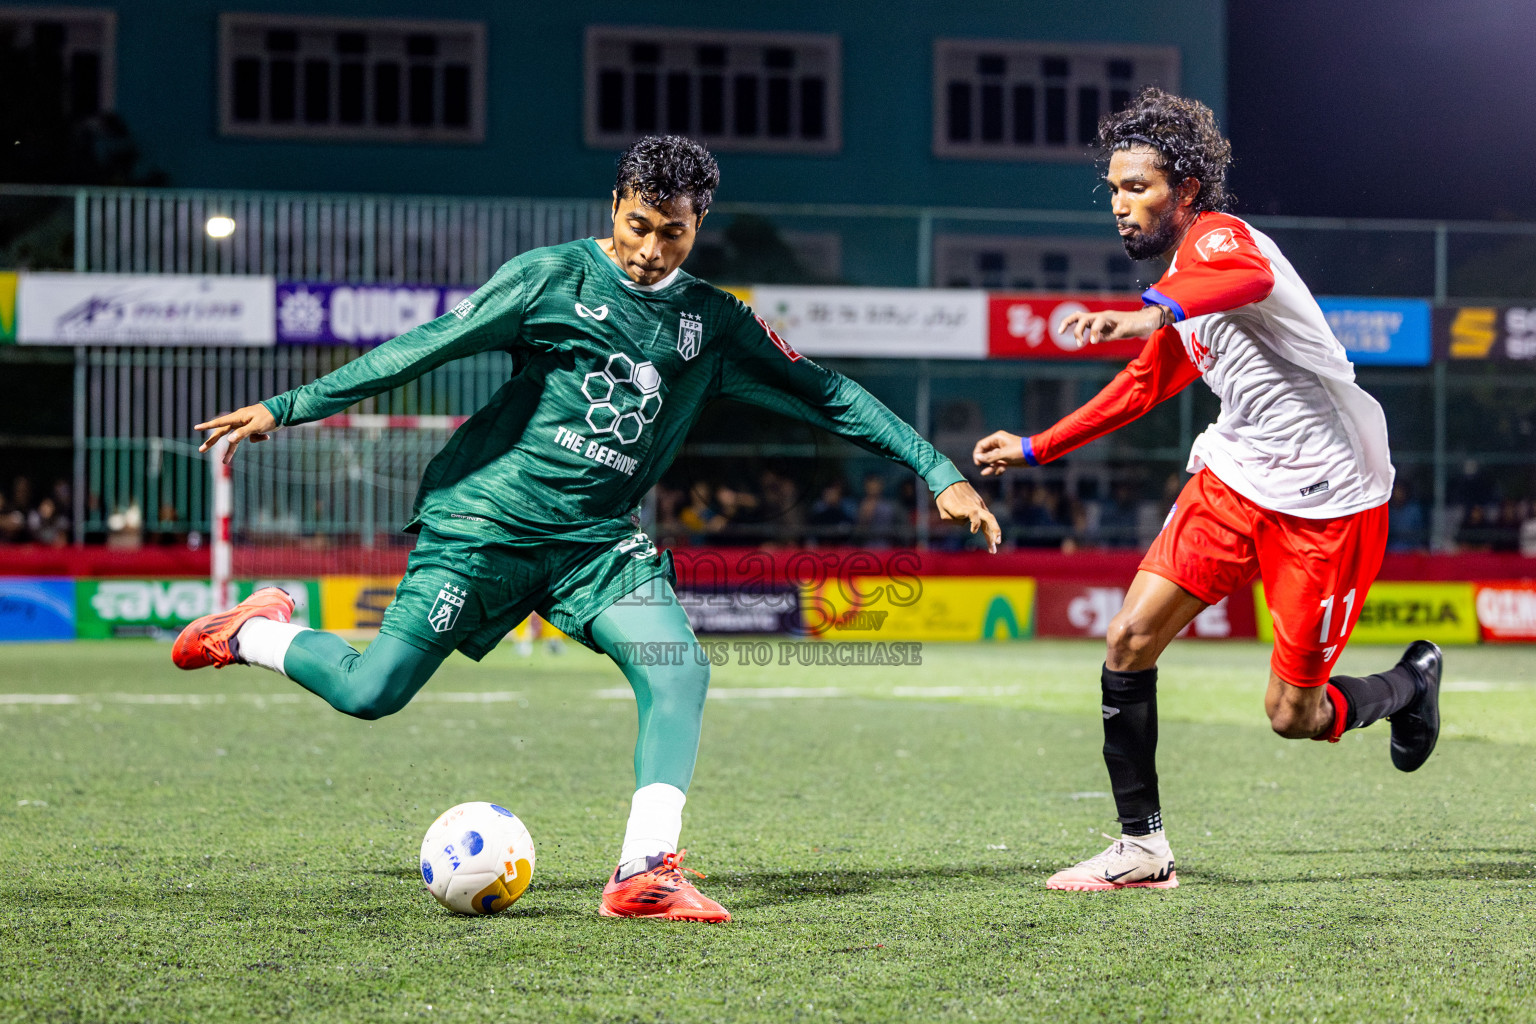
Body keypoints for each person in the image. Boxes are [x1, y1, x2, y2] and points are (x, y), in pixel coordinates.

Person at [175, 135, 1002, 922]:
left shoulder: (712, 322)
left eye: (672, 233)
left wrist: (940, 471)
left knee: (678, 671)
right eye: (638, 224)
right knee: (370, 693)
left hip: (596, 543)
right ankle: (250, 632)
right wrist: (288, 408)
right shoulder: (550, 277)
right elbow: (425, 347)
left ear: (697, 226)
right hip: (483, 525)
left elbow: (828, 393)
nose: (650, 247)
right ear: (615, 206)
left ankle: (645, 871)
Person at [972, 88, 1440, 892]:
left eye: (1138, 189)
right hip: (1233, 475)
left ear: (1185, 191)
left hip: (1329, 497)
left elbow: (1247, 276)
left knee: (1295, 715)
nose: (1120, 208)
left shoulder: (1221, 242)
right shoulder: (1183, 286)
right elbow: (1141, 389)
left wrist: (1150, 311)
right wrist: (1036, 446)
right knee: (1127, 640)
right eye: (1114, 190)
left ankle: (1409, 685)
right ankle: (1142, 850)